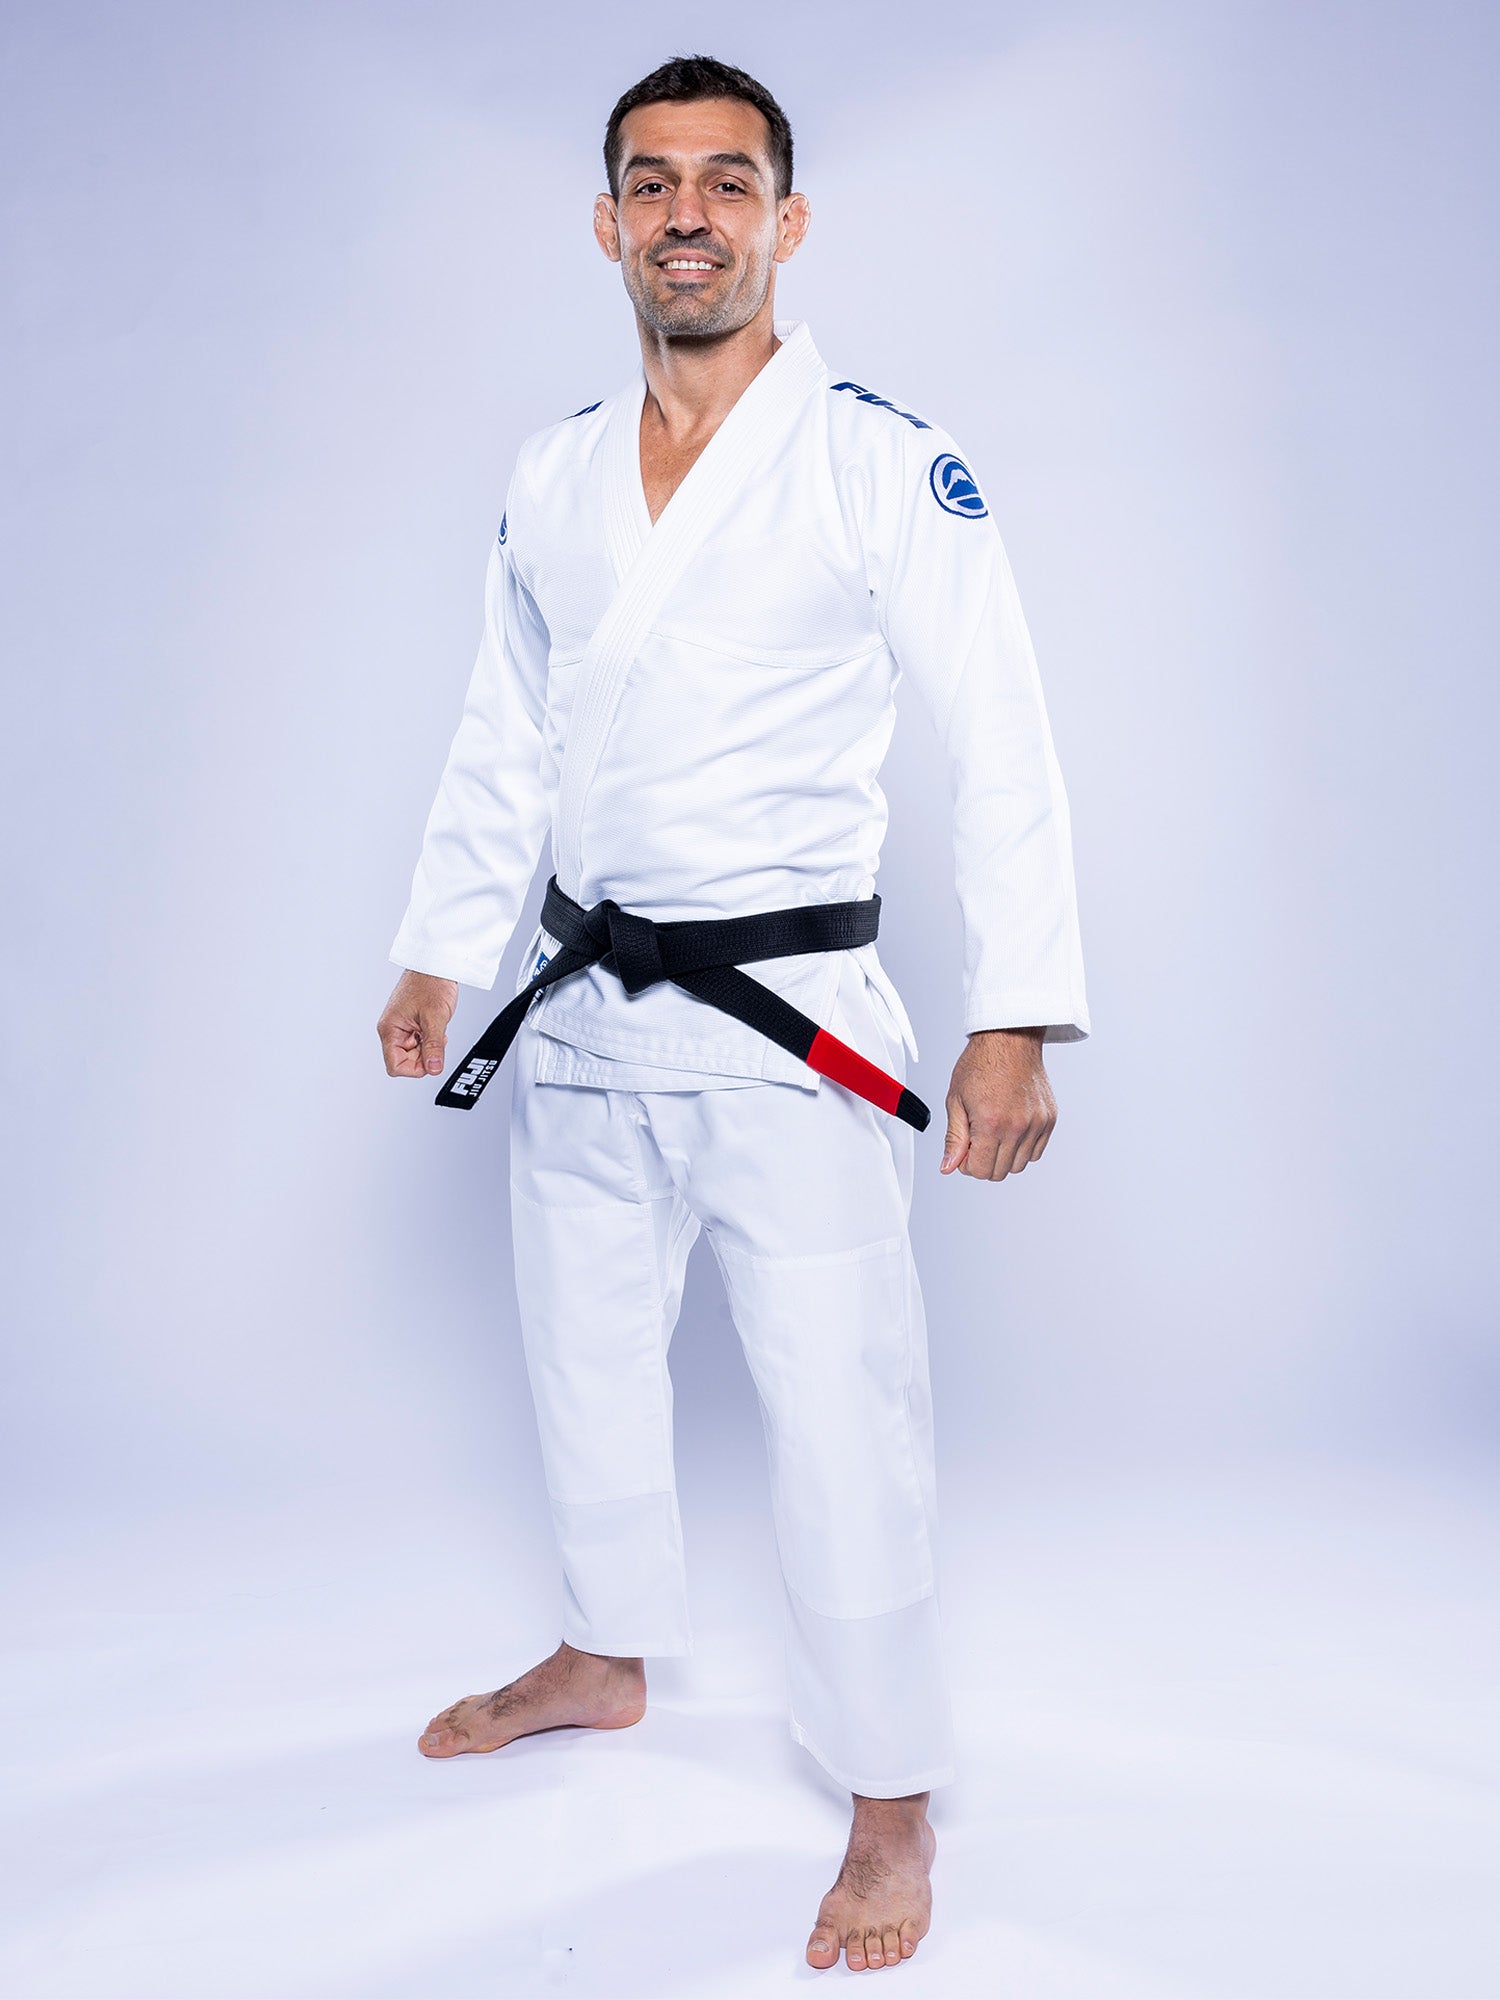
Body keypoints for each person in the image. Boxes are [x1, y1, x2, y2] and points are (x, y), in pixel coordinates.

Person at [377, 54, 1089, 1974]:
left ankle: (886, 1796)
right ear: (607, 223)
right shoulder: (552, 468)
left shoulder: (876, 457)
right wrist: (444, 942)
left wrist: (1018, 1012)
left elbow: (1002, 731)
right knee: (580, 1349)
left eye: (728, 180)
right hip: (587, 997)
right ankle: (606, 1653)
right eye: (651, 182)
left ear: (787, 220)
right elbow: (504, 725)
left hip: (791, 1019)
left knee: (845, 1414)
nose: (688, 213)